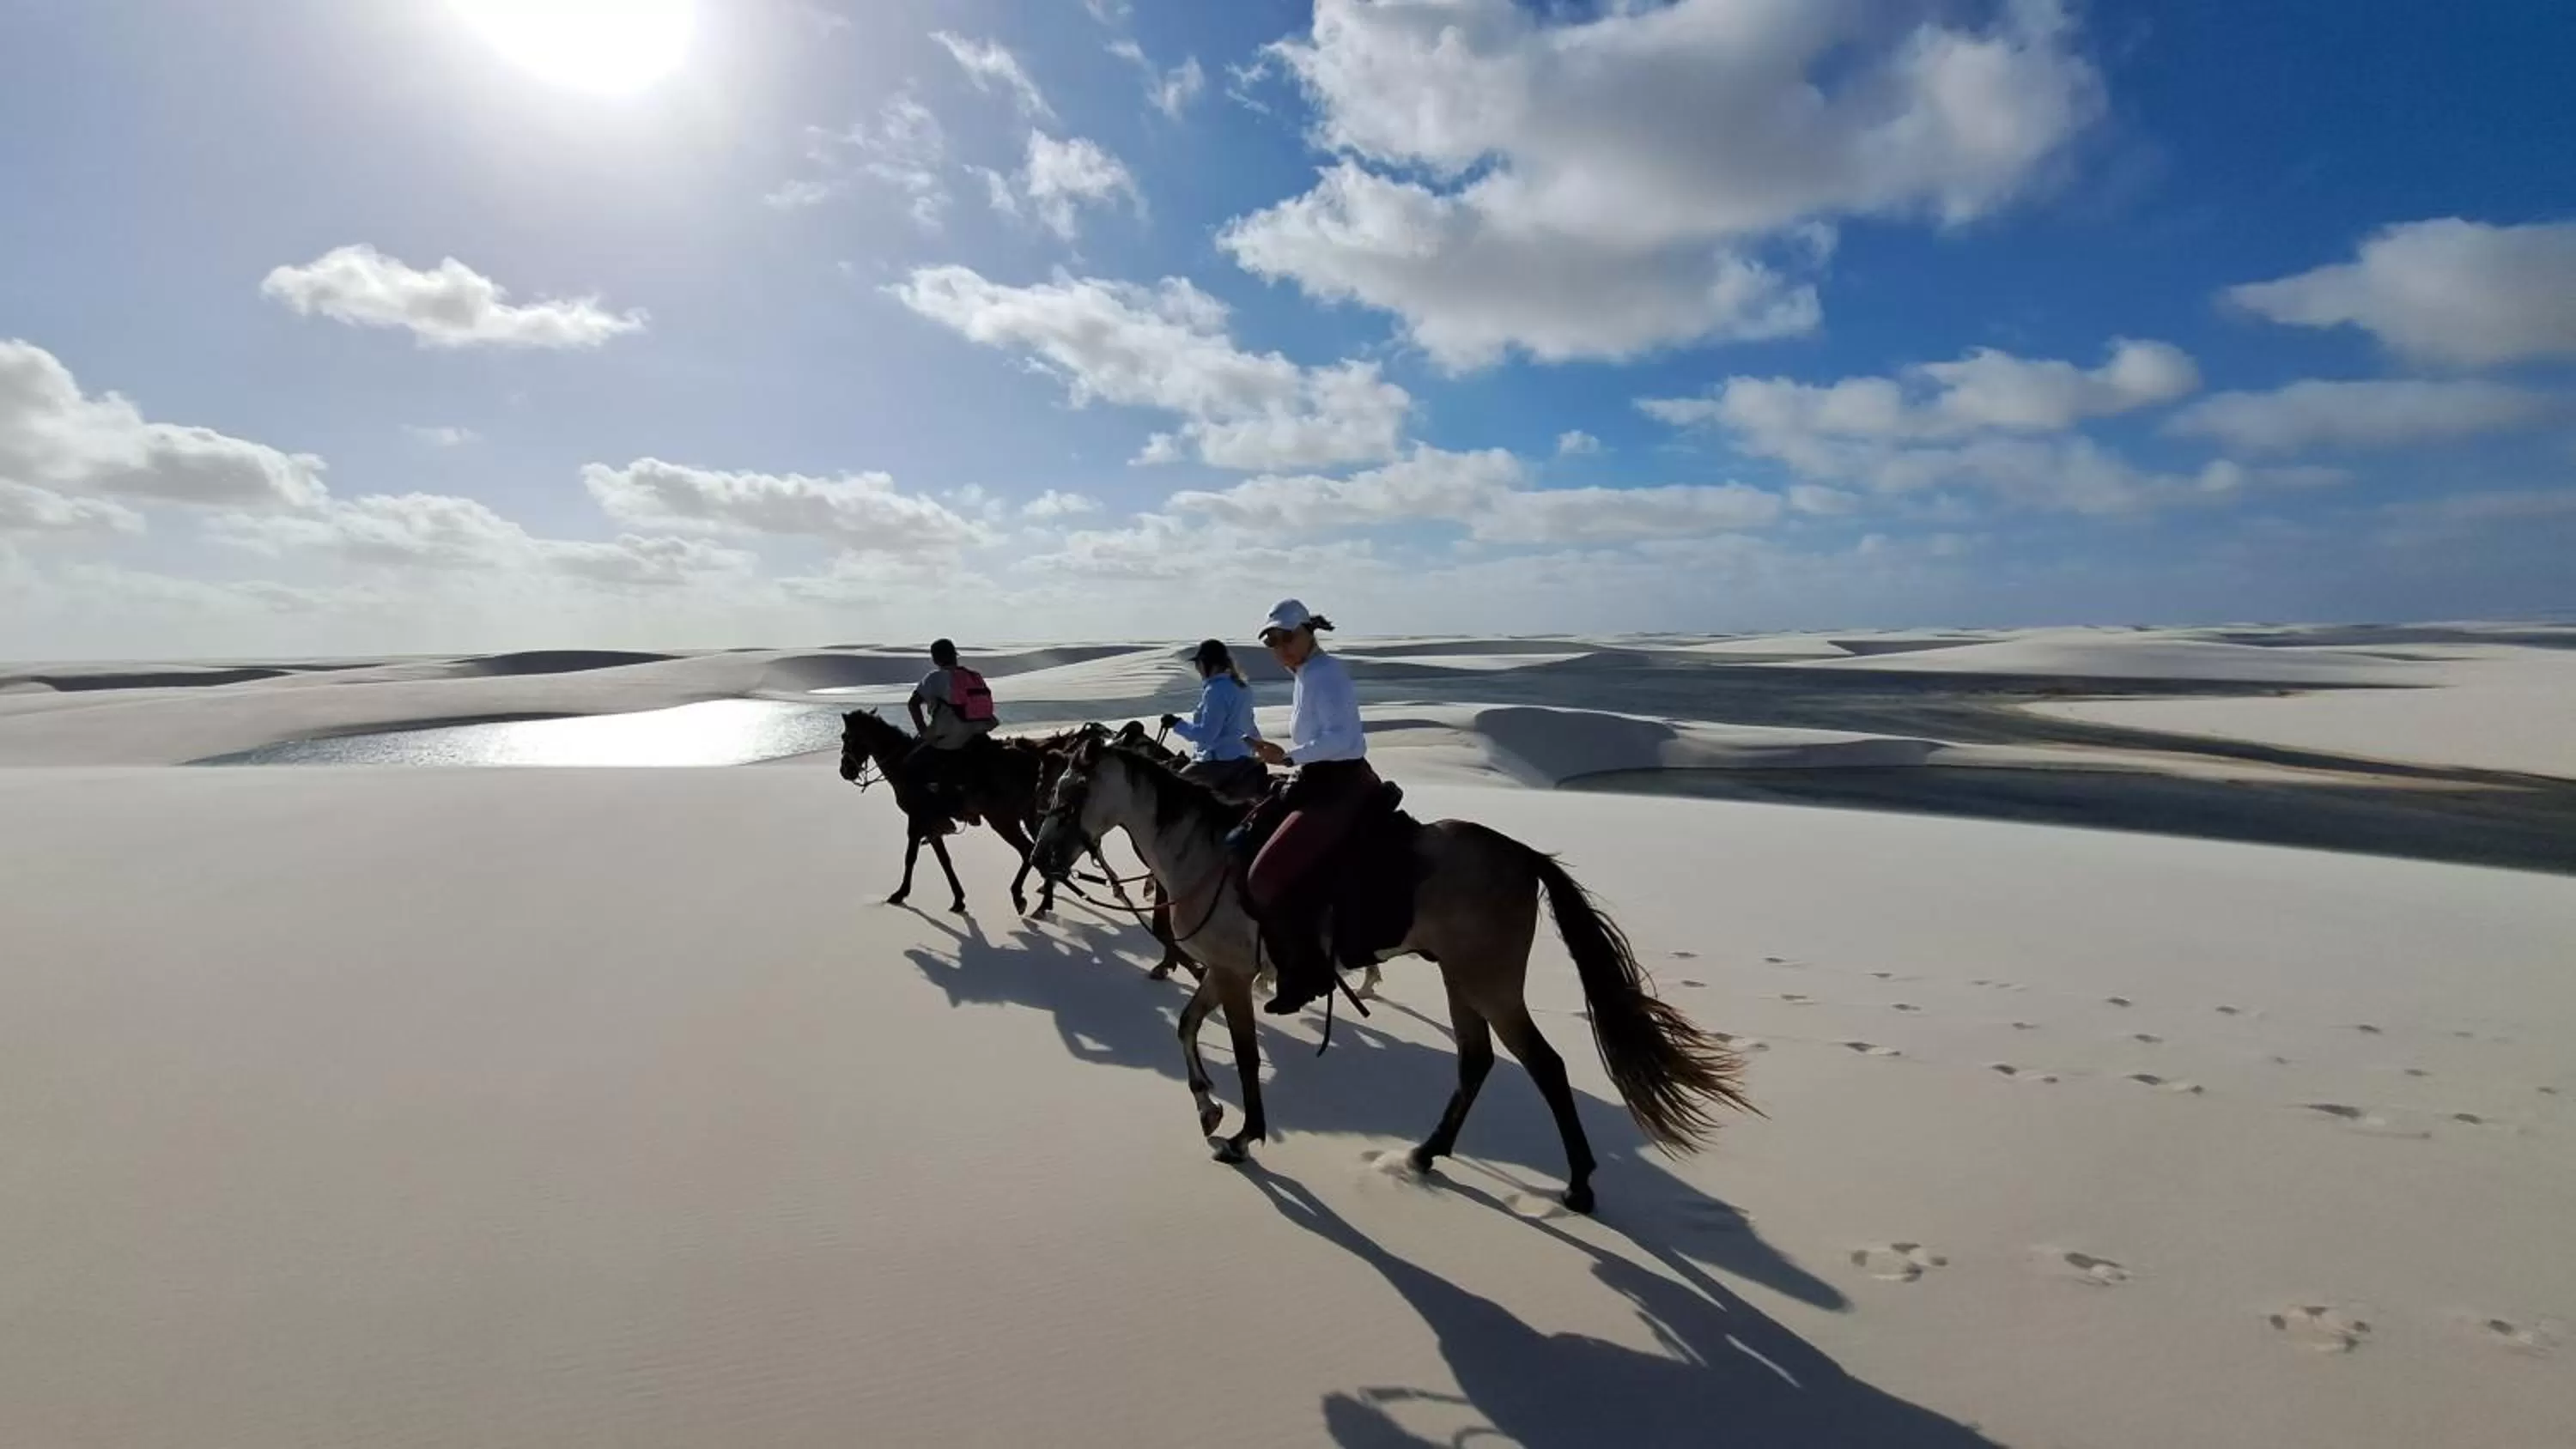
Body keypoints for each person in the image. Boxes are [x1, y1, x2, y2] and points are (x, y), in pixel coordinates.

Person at [1241, 599, 1377, 1015]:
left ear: (1308, 632)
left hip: (1338, 786)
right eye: (1272, 641)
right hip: (1317, 780)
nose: (1280, 647)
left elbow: (1342, 739)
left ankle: (1308, 974)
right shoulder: (1306, 673)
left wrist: (1288, 758)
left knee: (1265, 876)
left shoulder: (1325, 676)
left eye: (1287, 637)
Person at [1159, 639, 1268, 802]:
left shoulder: (1215, 690)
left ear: (1205, 663)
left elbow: (1207, 735)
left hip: (1218, 763)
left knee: (1168, 792)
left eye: (1198, 663)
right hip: (1243, 758)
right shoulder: (1242, 687)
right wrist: (1258, 747)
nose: (1197, 668)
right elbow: (1250, 725)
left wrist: (1177, 724)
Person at [904, 638, 999, 824]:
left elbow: (913, 704)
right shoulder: (974, 675)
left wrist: (923, 731)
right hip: (979, 731)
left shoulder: (934, 678)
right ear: (955, 656)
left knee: (912, 765)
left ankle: (943, 816)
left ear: (935, 658)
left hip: (951, 735)